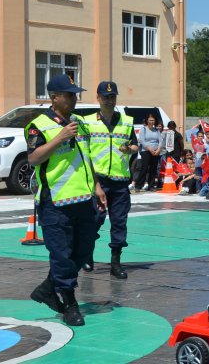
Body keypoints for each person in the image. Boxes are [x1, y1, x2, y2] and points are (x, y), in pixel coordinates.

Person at [25, 74, 108, 326]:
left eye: (75, 94)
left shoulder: (80, 123)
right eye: (69, 95)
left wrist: (97, 186)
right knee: (61, 255)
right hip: (56, 202)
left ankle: (48, 288)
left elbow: (86, 158)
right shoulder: (37, 125)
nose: (74, 99)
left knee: (83, 251)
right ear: (54, 97)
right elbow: (33, 159)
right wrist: (59, 137)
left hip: (83, 199)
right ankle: (69, 302)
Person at [81, 81, 138, 279]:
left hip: (120, 182)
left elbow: (135, 146)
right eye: (105, 97)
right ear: (98, 98)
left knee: (119, 223)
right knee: (93, 221)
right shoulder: (87, 122)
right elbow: (84, 153)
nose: (109, 100)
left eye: (112, 96)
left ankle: (116, 263)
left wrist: (130, 149)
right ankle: (87, 255)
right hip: (98, 181)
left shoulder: (126, 122)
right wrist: (94, 182)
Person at [134, 113, 162, 192]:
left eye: (153, 120)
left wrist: (158, 149)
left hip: (156, 151)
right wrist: (150, 149)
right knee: (144, 168)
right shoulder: (143, 129)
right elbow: (142, 141)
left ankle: (151, 185)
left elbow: (160, 141)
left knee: (153, 169)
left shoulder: (156, 130)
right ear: (147, 121)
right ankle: (138, 185)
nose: (151, 122)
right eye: (150, 120)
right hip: (146, 151)